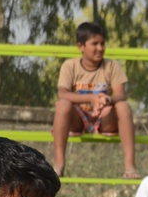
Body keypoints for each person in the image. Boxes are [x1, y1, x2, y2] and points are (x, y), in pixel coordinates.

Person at [52, 22, 137, 179]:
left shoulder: (112, 66)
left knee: (123, 107)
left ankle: (130, 167)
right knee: (62, 105)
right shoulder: (69, 66)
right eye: (95, 44)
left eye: (102, 43)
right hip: (78, 118)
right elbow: (62, 94)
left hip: (104, 117)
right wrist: (90, 99)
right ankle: (58, 165)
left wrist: (108, 99)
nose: (100, 48)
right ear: (81, 46)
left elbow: (121, 95)